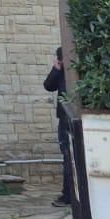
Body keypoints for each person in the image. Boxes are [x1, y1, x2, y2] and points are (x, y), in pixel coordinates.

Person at [44, 47, 74, 208]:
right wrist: (56, 70)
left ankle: (68, 195)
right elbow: (48, 85)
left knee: (68, 156)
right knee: (68, 157)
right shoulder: (61, 71)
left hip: (68, 118)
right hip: (64, 117)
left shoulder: (69, 70)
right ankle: (68, 194)